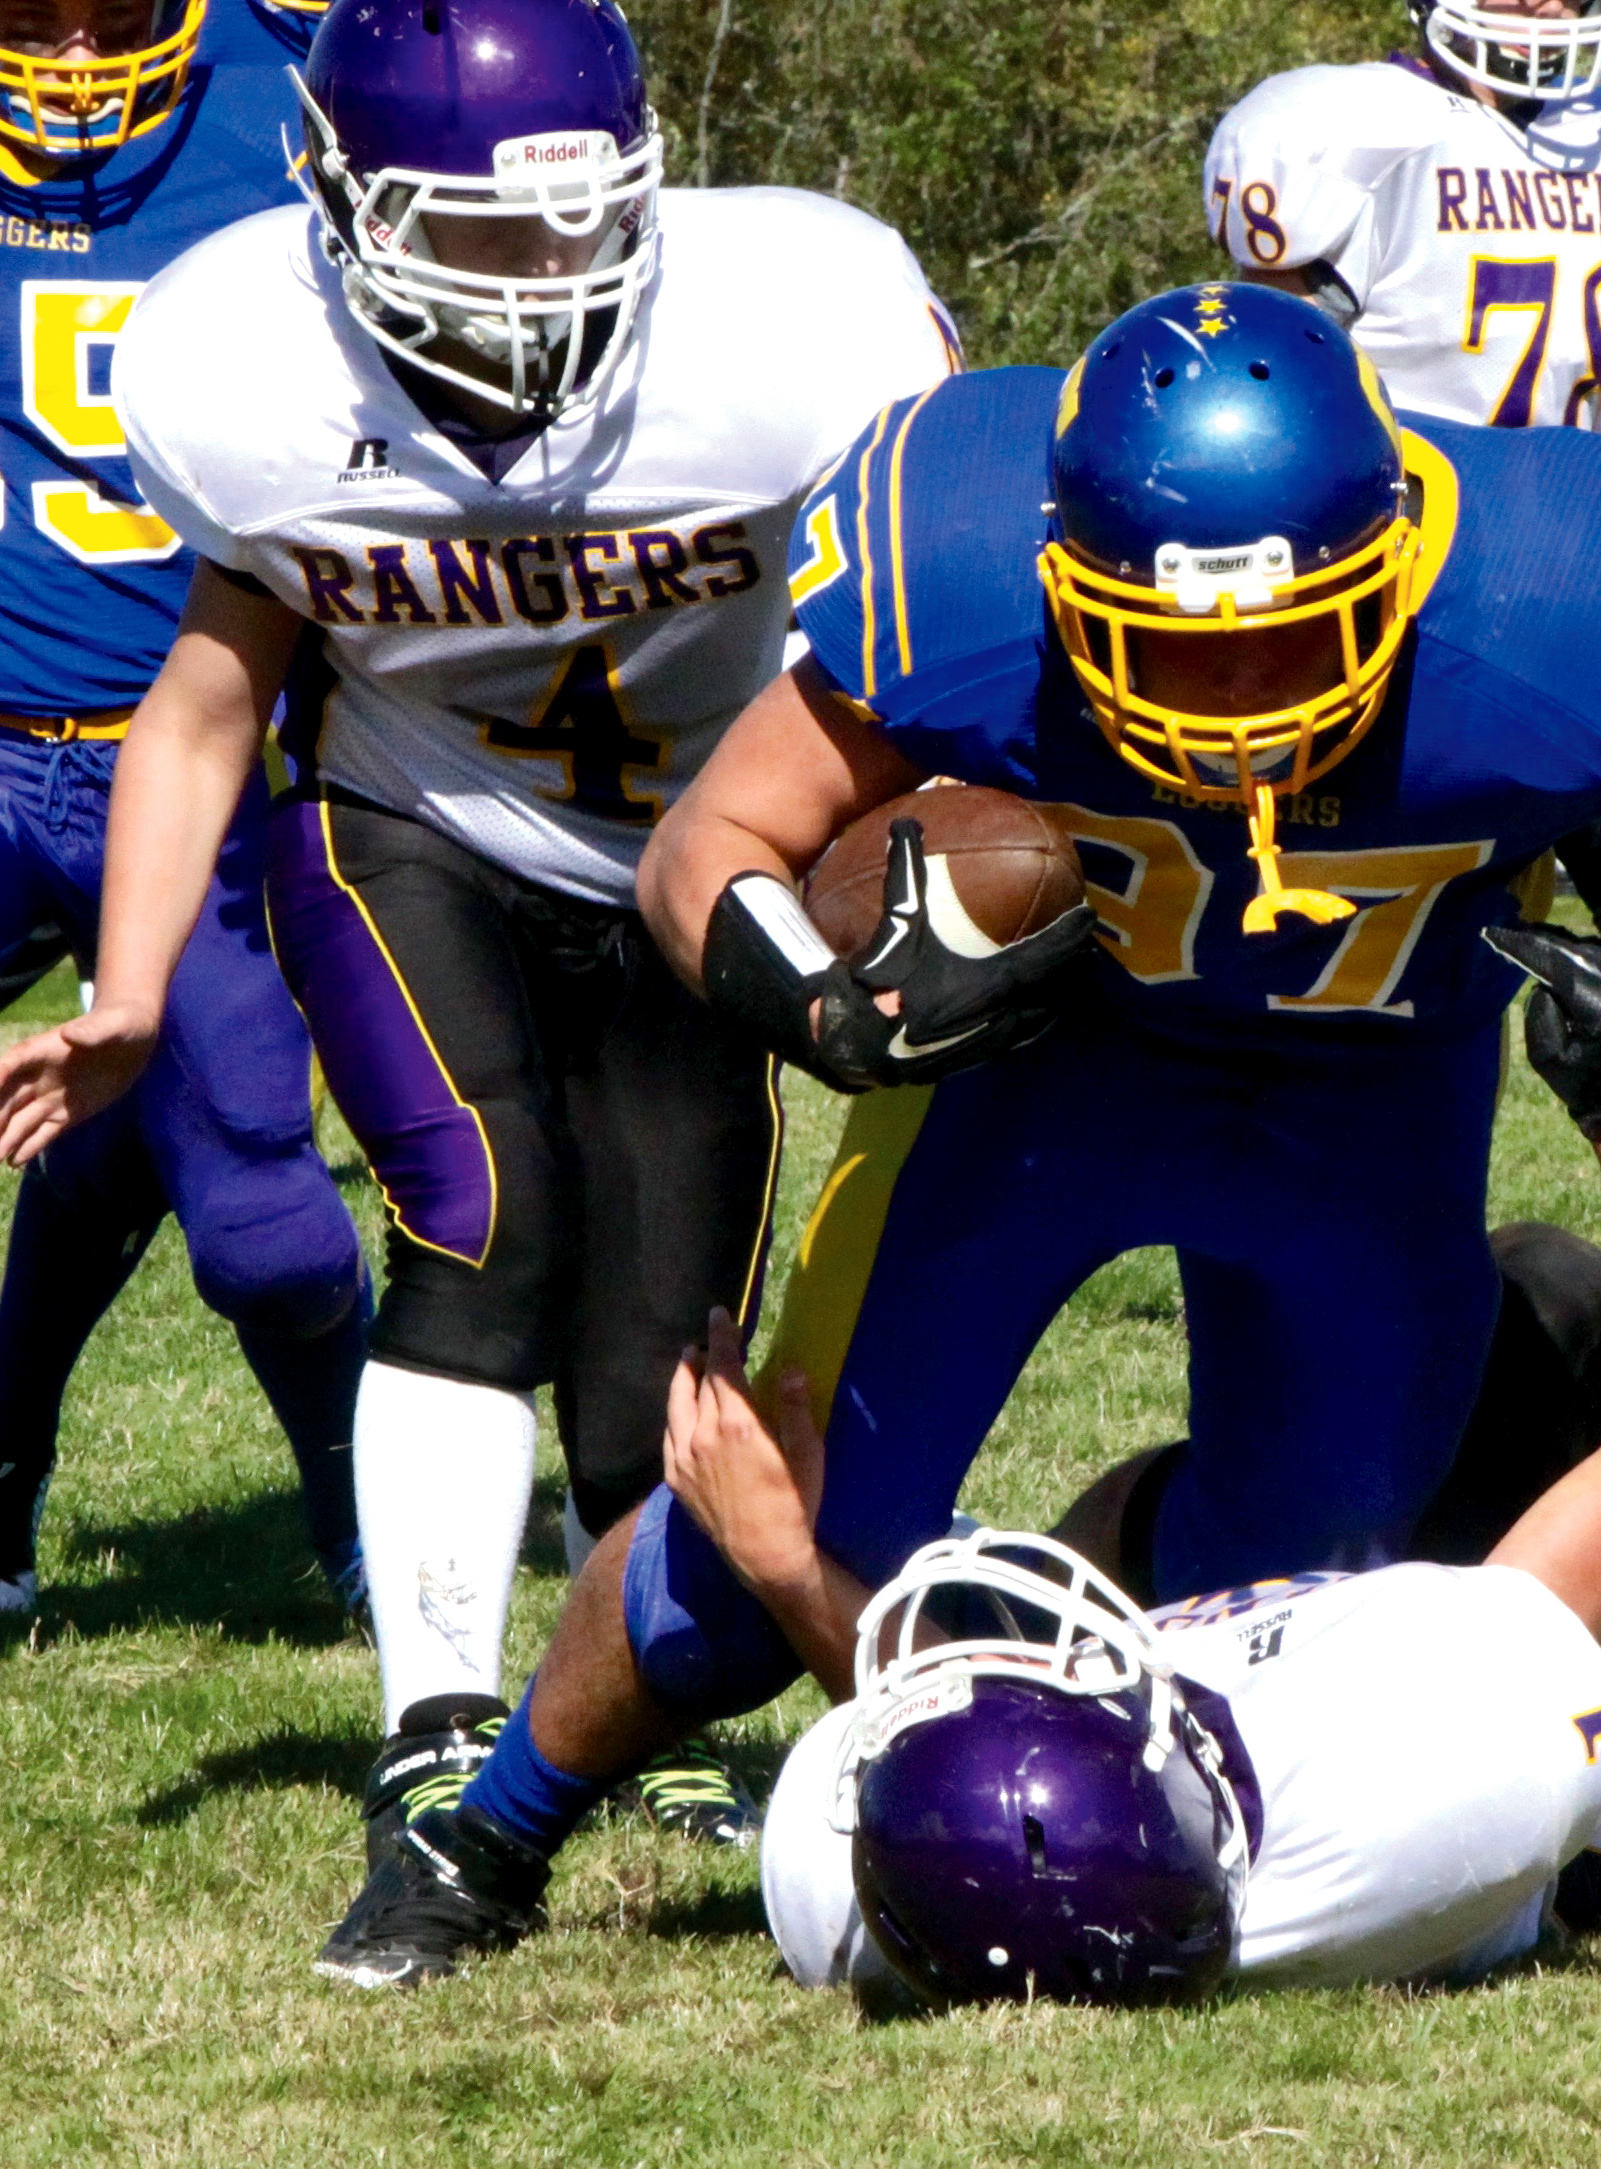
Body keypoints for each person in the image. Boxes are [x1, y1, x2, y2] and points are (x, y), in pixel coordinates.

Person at [295, 281, 1601, 1984]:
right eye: (1171, 641)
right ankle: (489, 1823)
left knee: (1271, 1584)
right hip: (1042, 1081)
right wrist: (818, 1003)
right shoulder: (964, 580)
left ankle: (1054, 1634)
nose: (1232, 700)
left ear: (1395, 568)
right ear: (1060, 581)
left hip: (1368, 1119)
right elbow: (707, 847)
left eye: (1282, 636)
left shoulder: (1547, 604)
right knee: (771, 1531)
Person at [377, 923, 1601, 1993]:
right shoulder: (1431, 1752)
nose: (1076, 1661)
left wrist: (787, 1563)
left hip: (1292, 1675)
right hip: (1576, 1746)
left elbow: (961, 1709)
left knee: (1321, 1407)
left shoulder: (969, 1849)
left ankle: (486, 1827)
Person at [0, 0, 962, 1844]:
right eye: (472, 233)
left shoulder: (794, 324)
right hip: (413, 823)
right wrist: (130, 988)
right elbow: (208, 698)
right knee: (485, 1217)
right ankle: (435, 1713)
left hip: (699, 851)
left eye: (579, 218)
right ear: (343, 203)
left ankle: (633, 1687)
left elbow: (926, 615)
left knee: (659, 1339)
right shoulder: (252, 358)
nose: (538, 275)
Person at [1202, 0, 1601, 1198]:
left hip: (1576, 567)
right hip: (1401, 586)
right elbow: (1271, 372)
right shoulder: (1346, 131)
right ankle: (1356, 1215)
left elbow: (1581, 377)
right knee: (1404, 954)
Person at [0, 0, 372, 1627]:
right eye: (30, 10)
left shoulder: (296, 92)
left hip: (205, 756)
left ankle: (381, 1532)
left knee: (272, 1234)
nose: (72, 48)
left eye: (103, 4)